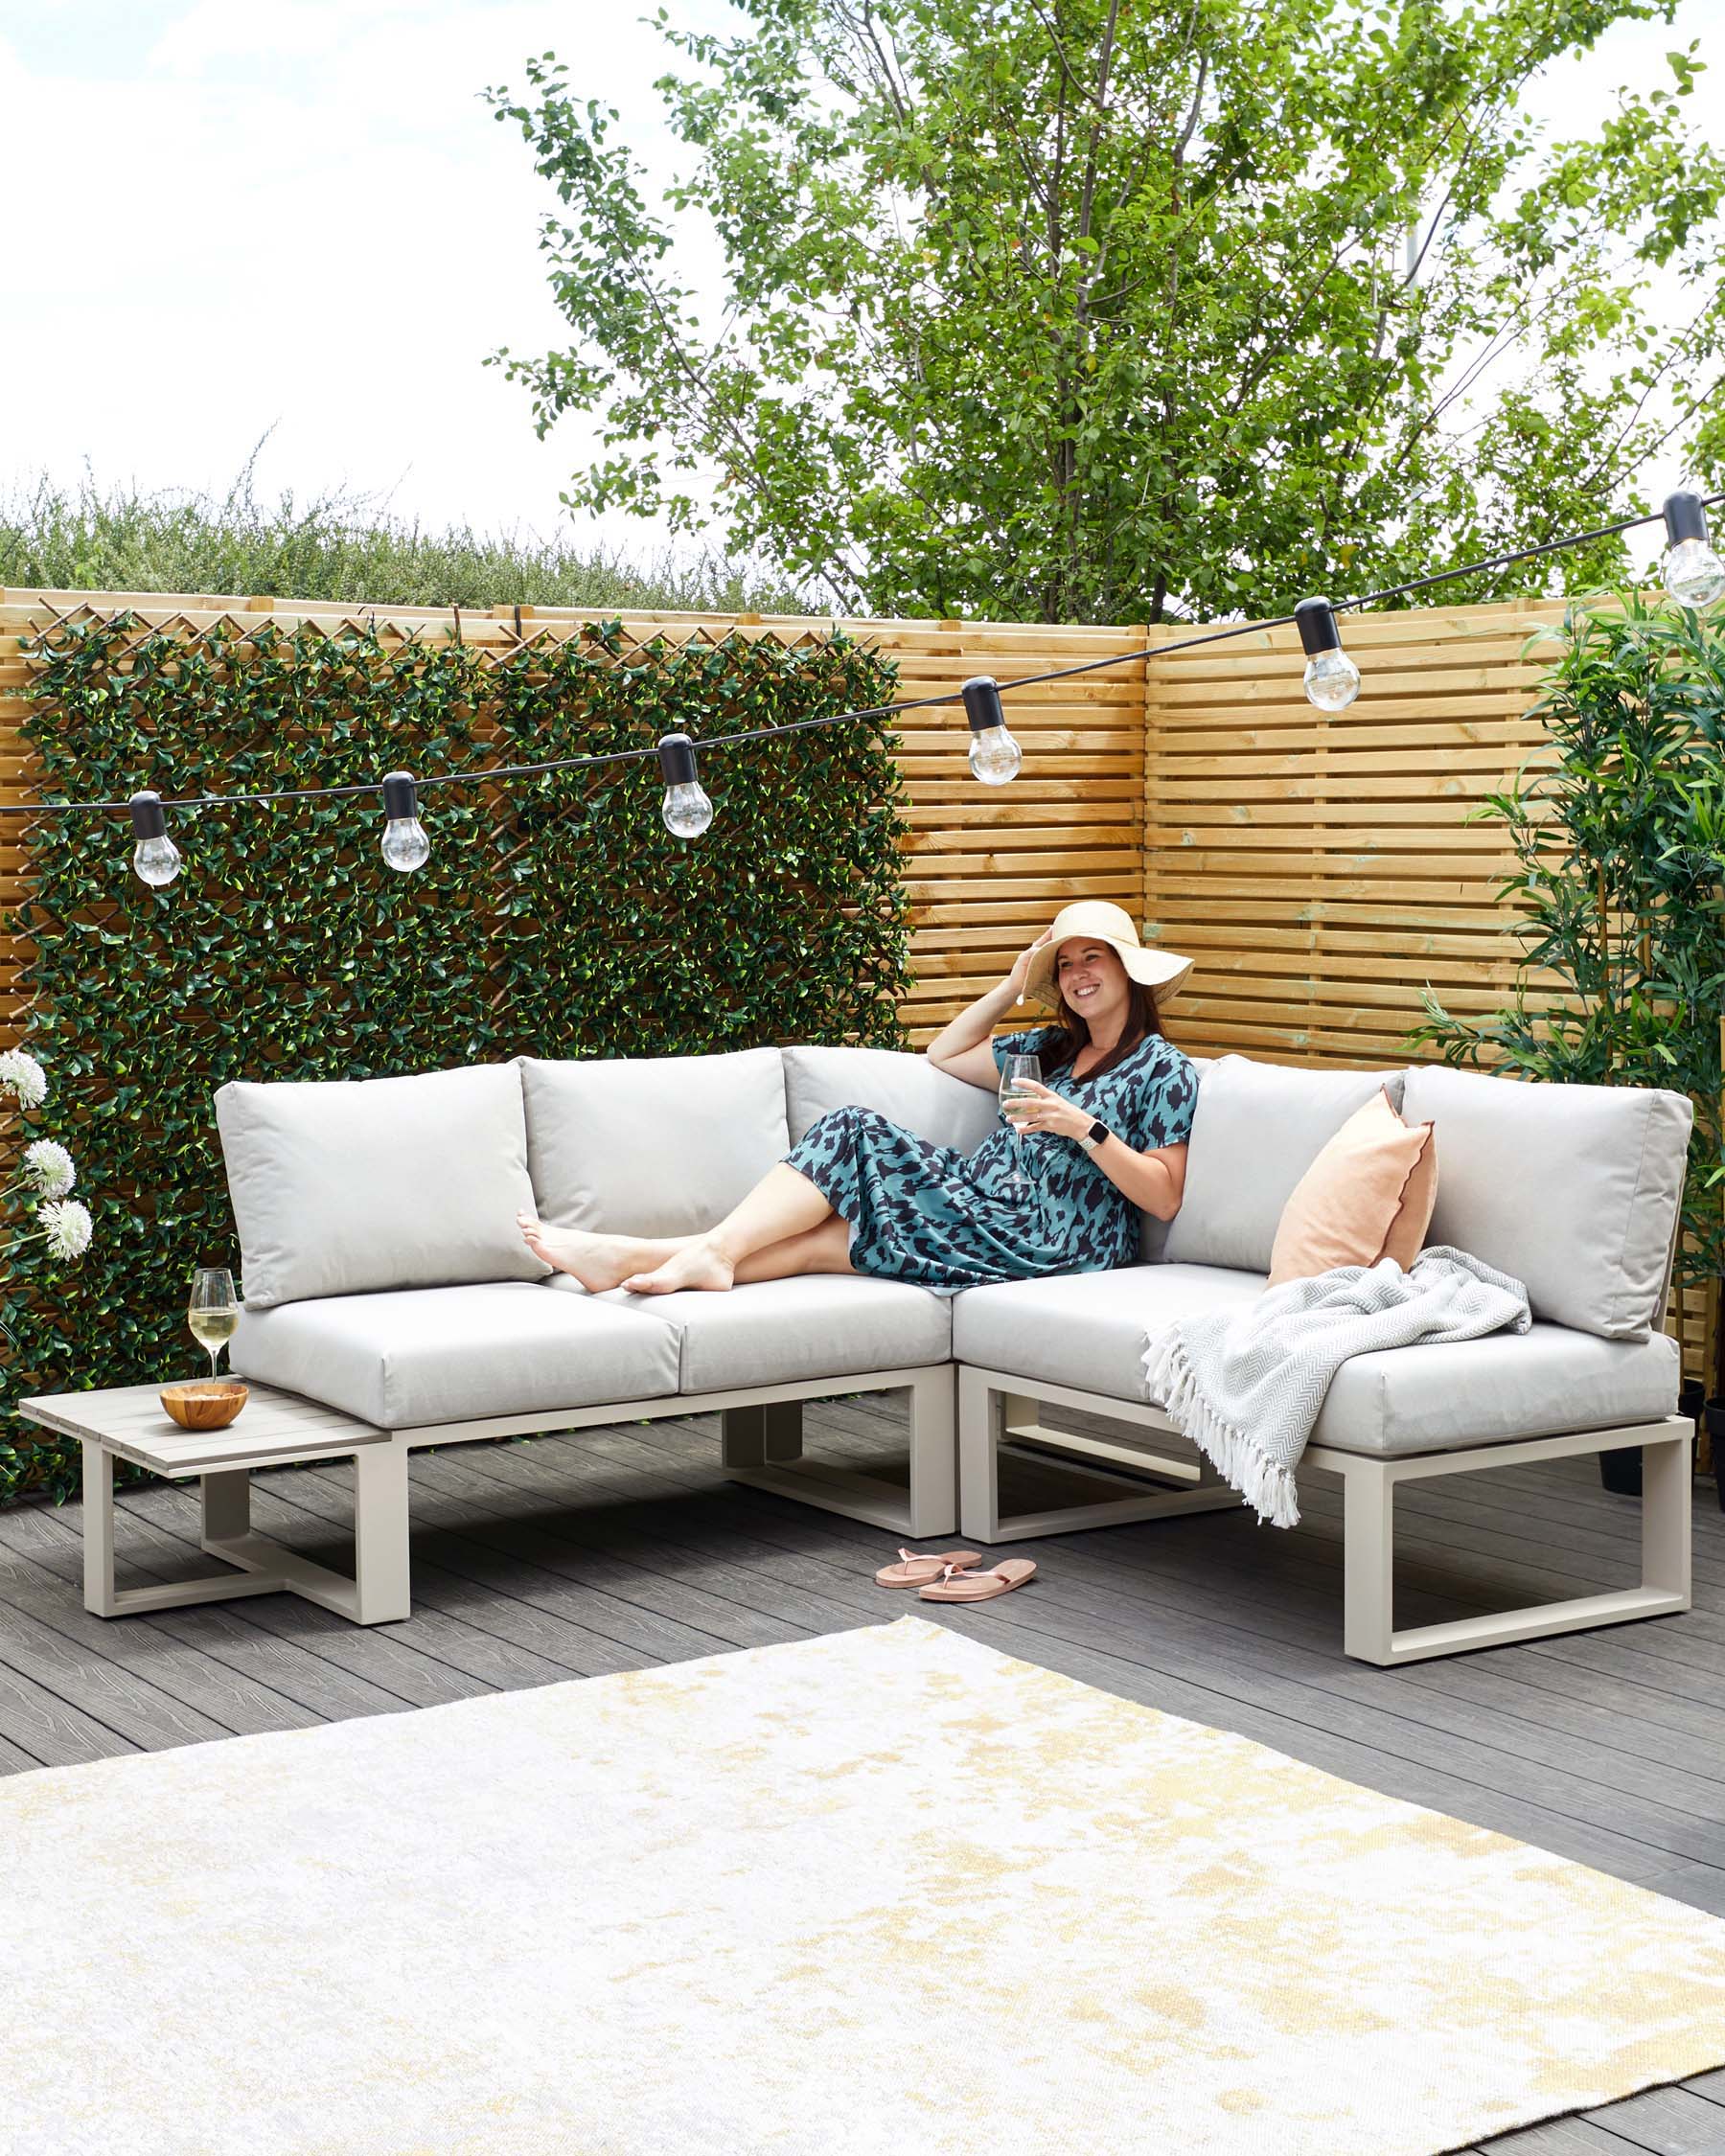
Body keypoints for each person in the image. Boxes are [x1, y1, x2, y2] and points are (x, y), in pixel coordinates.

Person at [517, 900, 1198, 1296]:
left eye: (1093, 958)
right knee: (827, 1241)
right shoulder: (1049, 1049)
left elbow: (1164, 1195)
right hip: (983, 1198)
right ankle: (663, 1257)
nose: (1078, 974)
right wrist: (1011, 984)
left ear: (1128, 971)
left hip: (1054, 1237)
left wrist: (1087, 1129)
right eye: (1068, 962)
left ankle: (688, 1253)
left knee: (852, 1131)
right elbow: (946, 1053)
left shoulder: (1162, 1069)